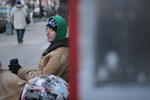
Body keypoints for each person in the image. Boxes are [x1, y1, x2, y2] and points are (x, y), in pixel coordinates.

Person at [8, 15, 69, 82]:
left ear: (60, 32)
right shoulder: (55, 47)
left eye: (52, 30)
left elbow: (43, 77)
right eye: (47, 29)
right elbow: (42, 71)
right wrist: (20, 69)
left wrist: (19, 71)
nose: (47, 33)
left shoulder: (59, 54)